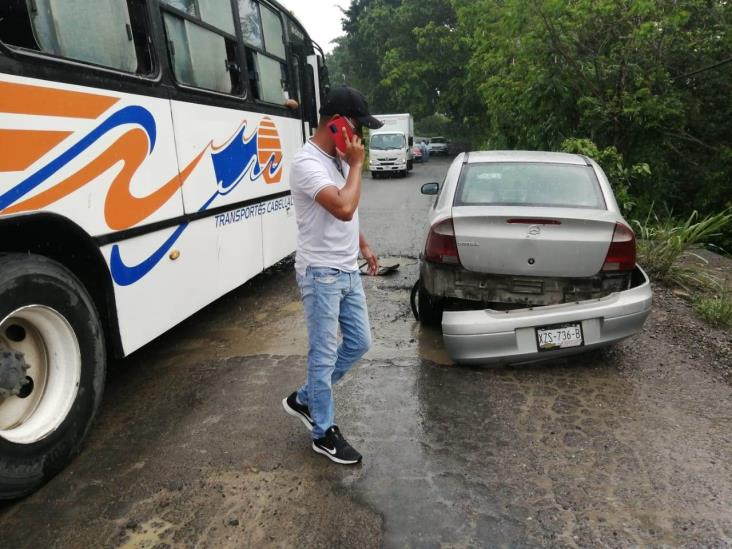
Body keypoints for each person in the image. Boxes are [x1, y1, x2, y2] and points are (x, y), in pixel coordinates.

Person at [282, 86, 383, 465]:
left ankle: (305, 397)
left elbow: (349, 212)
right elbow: (342, 206)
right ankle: (323, 433)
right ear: (338, 124)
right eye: (359, 129)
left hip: (346, 268)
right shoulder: (307, 163)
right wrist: (357, 165)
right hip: (320, 273)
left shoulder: (338, 160)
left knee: (360, 343)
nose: (361, 139)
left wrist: (364, 245)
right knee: (323, 356)